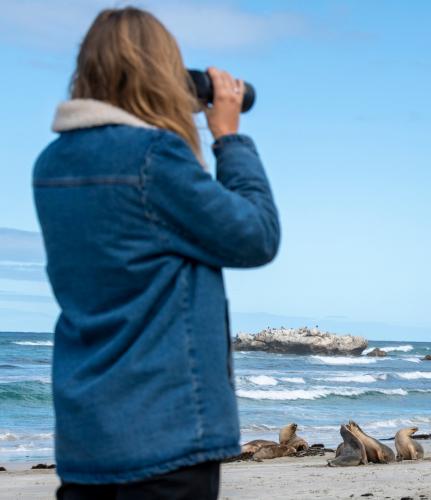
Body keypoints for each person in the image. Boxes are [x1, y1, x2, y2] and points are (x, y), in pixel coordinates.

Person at [32, 7, 280, 499]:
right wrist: (228, 137)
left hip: (86, 437)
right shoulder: (154, 159)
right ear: (161, 74)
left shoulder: (50, 164)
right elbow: (256, 236)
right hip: (166, 432)